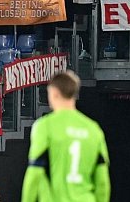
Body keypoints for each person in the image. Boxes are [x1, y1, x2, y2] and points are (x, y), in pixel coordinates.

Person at [22, 70, 110, 202]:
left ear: (54, 93)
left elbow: (35, 173)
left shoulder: (44, 126)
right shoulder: (94, 129)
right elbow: (102, 181)